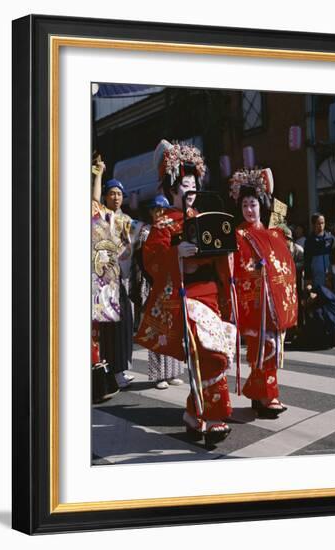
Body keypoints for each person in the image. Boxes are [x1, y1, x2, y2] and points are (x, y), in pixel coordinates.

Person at [135, 140, 236, 445]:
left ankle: (196, 414)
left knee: (212, 354)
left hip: (210, 295)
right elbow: (152, 260)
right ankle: (212, 414)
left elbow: (224, 258)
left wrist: (226, 252)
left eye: (193, 186)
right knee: (208, 354)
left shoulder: (205, 218)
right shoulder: (164, 225)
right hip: (186, 296)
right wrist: (177, 253)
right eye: (184, 186)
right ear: (172, 189)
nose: (190, 192)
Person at [230, 169, 298, 417]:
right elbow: (234, 267)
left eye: (253, 204)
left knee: (271, 350)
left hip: (274, 302)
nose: (249, 210)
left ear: (261, 206)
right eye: (245, 205)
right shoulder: (237, 235)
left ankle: (259, 395)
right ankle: (268, 397)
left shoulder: (273, 233)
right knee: (264, 349)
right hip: (254, 303)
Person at [91, 158, 141, 389]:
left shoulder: (126, 219)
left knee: (123, 323)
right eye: (111, 193)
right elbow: (93, 200)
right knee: (111, 327)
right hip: (104, 278)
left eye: (119, 194)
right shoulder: (101, 215)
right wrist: (99, 173)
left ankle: (117, 369)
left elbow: (138, 237)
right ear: (105, 197)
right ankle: (115, 371)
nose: (116, 197)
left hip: (121, 277)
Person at [130, 194, 185, 389]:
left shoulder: (173, 227)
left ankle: (172, 372)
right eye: (156, 210)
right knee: (157, 328)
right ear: (151, 212)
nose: (159, 213)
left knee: (173, 326)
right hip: (155, 281)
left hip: (173, 281)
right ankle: (158, 375)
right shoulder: (147, 231)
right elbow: (143, 257)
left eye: (162, 210)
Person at [304, 213, 334, 288]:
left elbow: (334, 256)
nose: (321, 226)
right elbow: (307, 260)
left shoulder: (330, 238)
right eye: (318, 223)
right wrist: (308, 278)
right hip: (316, 276)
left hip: (330, 276)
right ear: (313, 224)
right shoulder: (309, 241)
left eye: (322, 223)